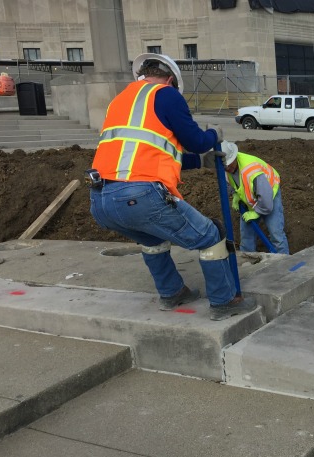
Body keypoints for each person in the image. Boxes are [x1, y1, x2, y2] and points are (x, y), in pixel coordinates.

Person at [88, 53, 256, 321]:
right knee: (212, 236)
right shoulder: (166, 94)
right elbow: (198, 140)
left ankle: (172, 292)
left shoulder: (120, 102)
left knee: (153, 239)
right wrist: (214, 135)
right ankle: (224, 301)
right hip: (139, 195)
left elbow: (149, 153)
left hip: (101, 198)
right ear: (169, 80)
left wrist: (200, 162)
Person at [205, 141, 289, 254]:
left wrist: (257, 212)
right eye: (224, 166)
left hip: (268, 195)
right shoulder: (224, 168)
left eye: (228, 164)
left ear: (234, 157)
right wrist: (235, 194)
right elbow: (229, 183)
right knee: (246, 236)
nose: (227, 168)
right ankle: (248, 259)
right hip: (250, 197)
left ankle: (283, 262)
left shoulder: (252, 170)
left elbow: (266, 200)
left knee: (276, 234)